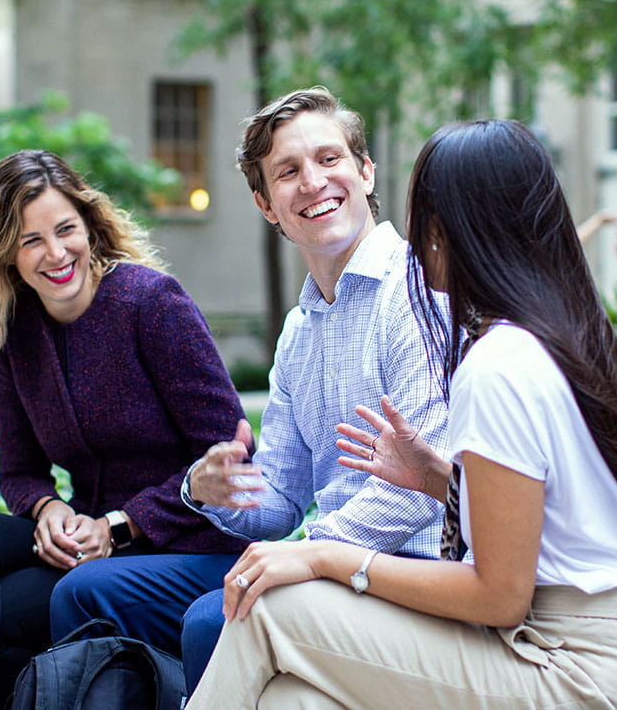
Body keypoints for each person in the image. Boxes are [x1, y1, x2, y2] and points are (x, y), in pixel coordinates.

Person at [189, 120, 617, 709]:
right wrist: (438, 479)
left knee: (269, 609)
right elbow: (548, 520)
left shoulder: (497, 362)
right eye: (289, 171)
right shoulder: (559, 335)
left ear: (457, 229)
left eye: (424, 219)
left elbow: (500, 595)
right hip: (582, 644)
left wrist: (324, 554)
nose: (415, 243)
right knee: (294, 701)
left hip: (574, 665)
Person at [48, 86, 448, 696]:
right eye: (288, 172)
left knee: (218, 615)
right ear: (267, 205)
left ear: (365, 172)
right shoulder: (300, 330)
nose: (313, 182)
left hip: (403, 569)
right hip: (319, 562)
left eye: (329, 159)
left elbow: (420, 493)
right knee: (87, 592)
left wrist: (306, 554)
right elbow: (281, 499)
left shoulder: (414, 294)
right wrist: (208, 489)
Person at [0, 150, 248, 710]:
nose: (55, 253)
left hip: (183, 544)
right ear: (5, 255)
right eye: (30, 240)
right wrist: (45, 509)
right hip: (87, 541)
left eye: (65, 230)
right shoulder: (14, 332)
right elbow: (18, 469)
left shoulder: (150, 304)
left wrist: (122, 522)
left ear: (90, 227)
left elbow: (228, 460)